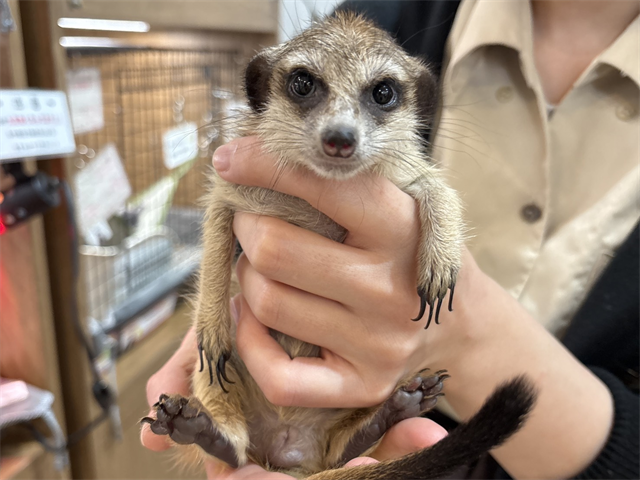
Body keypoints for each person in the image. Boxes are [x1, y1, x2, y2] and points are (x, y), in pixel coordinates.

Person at [141, 1, 640, 478]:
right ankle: (227, 434)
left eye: (380, 96)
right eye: (304, 87)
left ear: (417, 102)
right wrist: (212, 323)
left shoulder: (406, 142)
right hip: (299, 395)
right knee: (217, 391)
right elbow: (226, 222)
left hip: (414, 430)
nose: (341, 129)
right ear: (261, 89)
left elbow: (431, 190)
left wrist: (461, 332)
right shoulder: (373, 14)